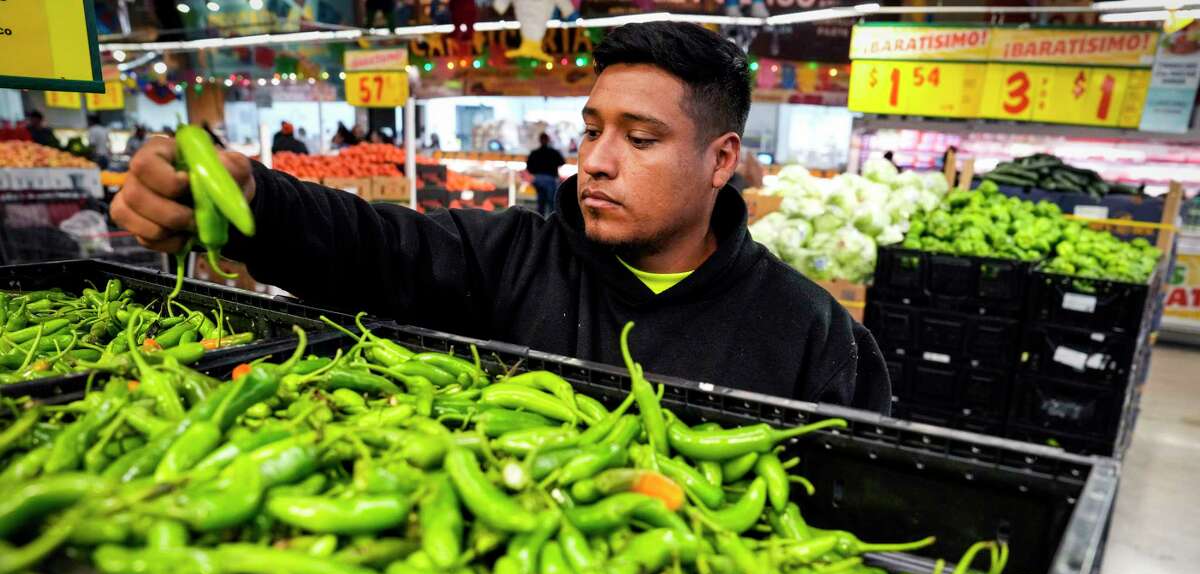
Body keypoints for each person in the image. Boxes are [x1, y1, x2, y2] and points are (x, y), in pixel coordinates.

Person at [111, 22, 889, 410]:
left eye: (640, 138)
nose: (596, 161)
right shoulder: (511, 256)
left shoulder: (812, 335)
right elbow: (372, 244)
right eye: (592, 131)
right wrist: (252, 200)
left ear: (721, 160)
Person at [526, 132, 566, 216]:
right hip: (550, 179)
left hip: (538, 179)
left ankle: (540, 223)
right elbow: (562, 162)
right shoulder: (554, 152)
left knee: (541, 203)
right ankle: (551, 224)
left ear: (539, 140)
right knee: (551, 203)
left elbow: (529, 167)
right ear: (548, 140)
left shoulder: (535, 153)